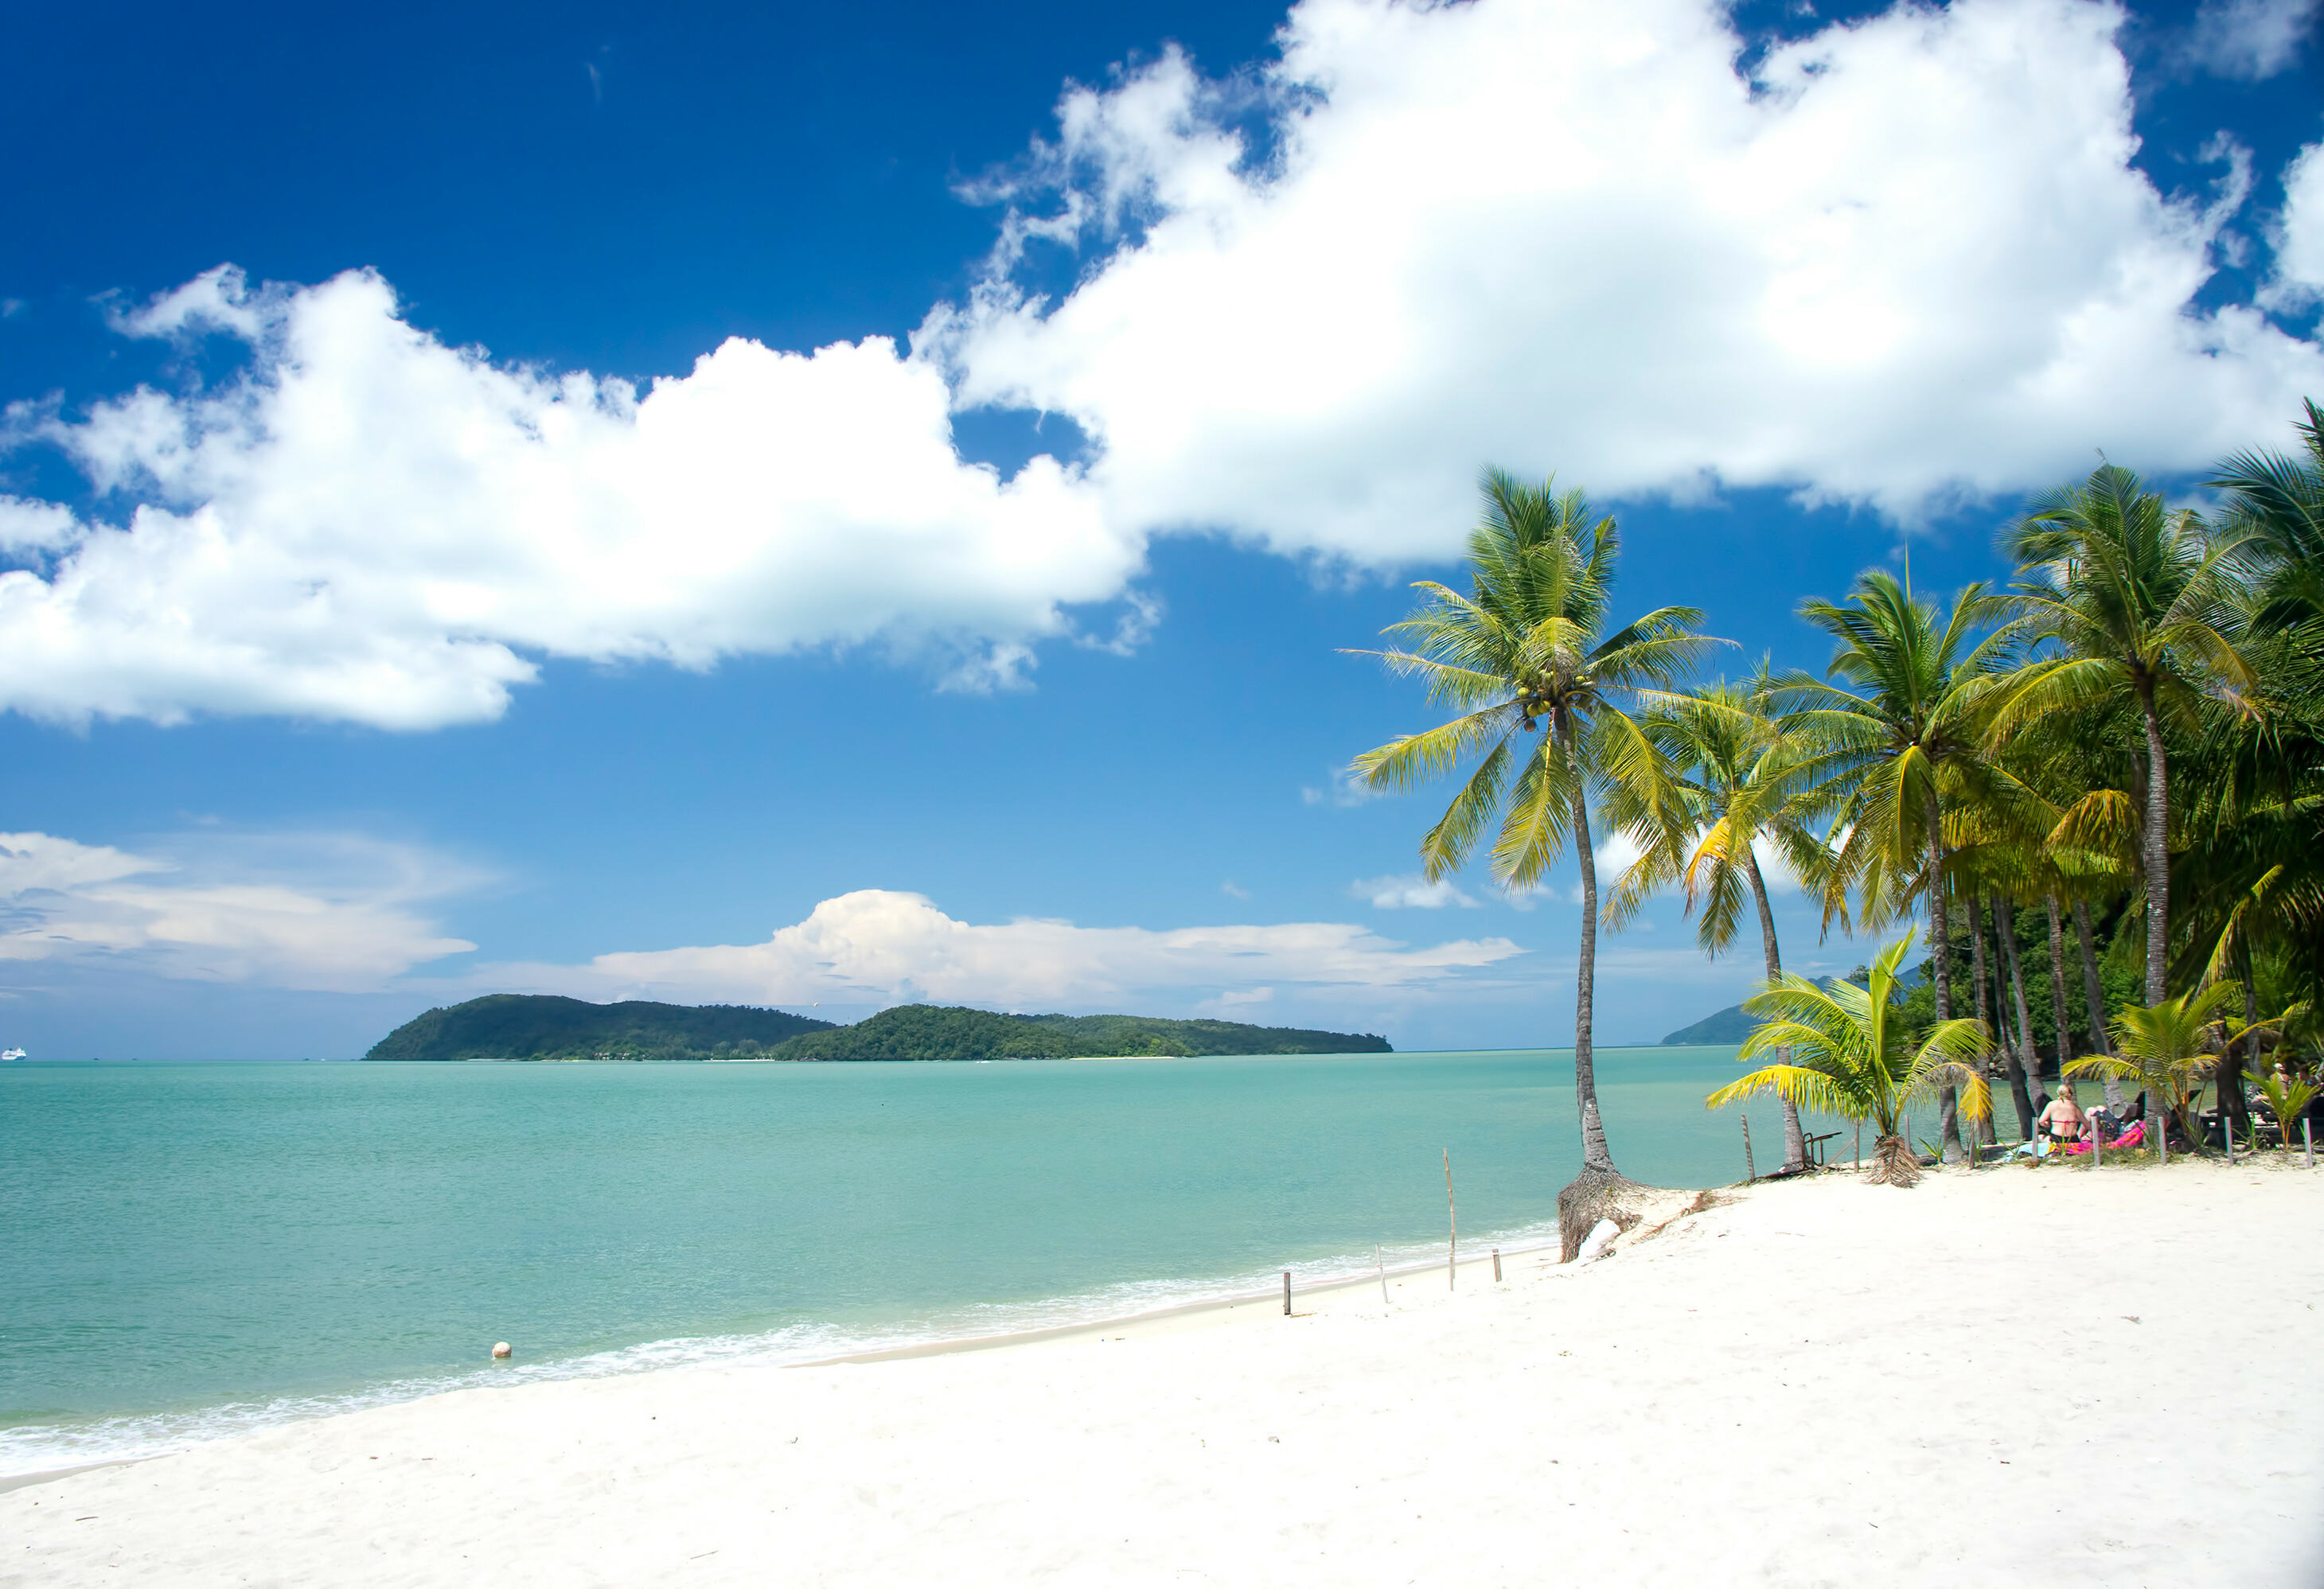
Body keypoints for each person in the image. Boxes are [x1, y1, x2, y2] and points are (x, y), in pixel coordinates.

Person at [2035, 1084, 2086, 1157]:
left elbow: (2041, 1121)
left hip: (2057, 1138)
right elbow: (2086, 1123)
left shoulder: (2051, 1105)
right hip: (2072, 1139)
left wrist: (2047, 1125)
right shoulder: (2074, 1107)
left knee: (2042, 1137)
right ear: (2068, 1094)